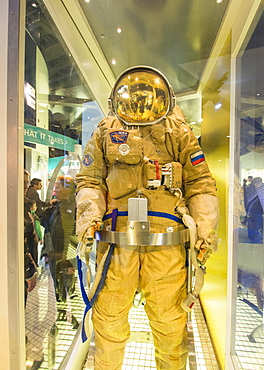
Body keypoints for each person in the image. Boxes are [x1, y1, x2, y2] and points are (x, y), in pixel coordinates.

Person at [75, 66, 219, 370]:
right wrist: (90, 218)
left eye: (147, 98)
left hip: (166, 245)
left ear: (162, 98)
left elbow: (201, 185)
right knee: (109, 322)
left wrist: (205, 233)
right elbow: (89, 181)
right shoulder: (105, 130)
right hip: (117, 244)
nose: (140, 106)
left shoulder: (179, 132)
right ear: (120, 99)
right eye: (133, 98)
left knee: (170, 326)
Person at [24, 170, 37, 302]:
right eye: (22, 182)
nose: (26, 186)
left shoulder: (24, 204)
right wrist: (29, 271)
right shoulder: (17, 207)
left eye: (27, 182)